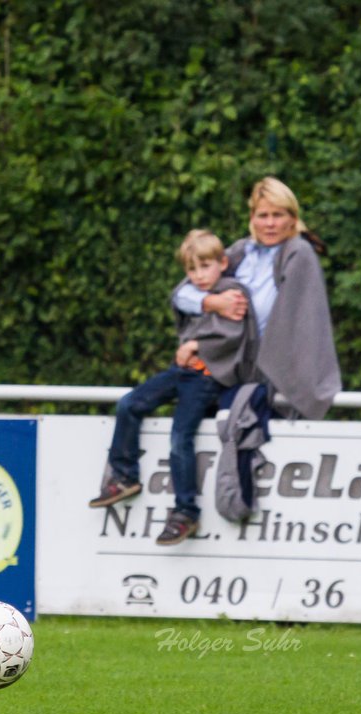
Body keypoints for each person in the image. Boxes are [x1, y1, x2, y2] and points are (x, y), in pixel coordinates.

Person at [89, 229, 255, 545]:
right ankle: (124, 476)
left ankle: (186, 512)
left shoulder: (233, 293)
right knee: (129, 404)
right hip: (182, 372)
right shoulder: (193, 293)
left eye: (205, 266)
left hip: (207, 378)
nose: (199, 275)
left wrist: (195, 345)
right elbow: (178, 296)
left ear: (223, 263)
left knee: (180, 437)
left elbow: (235, 339)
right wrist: (206, 305)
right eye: (192, 269)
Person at [174, 176, 341, 421]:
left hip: (270, 374)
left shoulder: (299, 253)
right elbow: (181, 294)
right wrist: (212, 303)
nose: (270, 224)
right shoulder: (242, 251)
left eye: (278, 215)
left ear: (292, 218)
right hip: (229, 366)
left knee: (237, 429)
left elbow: (298, 326)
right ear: (252, 218)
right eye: (263, 216)